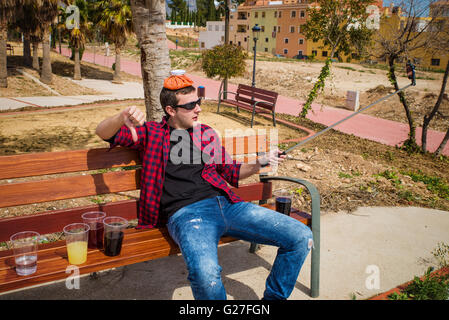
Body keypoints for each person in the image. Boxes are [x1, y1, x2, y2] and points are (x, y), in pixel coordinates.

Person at [95, 70, 313, 300]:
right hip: (187, 215)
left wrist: (260, 162)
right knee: (205, 274)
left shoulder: (206, 133)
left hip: (228, 205)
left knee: (300, 236)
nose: (198, 108)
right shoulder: (151, 133)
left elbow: (232, 173)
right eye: (190, 106)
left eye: (198, 102)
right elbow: (103, 132)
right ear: (171, 110)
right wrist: (122, 117)